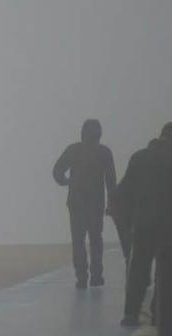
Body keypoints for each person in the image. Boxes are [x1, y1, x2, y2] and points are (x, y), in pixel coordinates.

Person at [117, 122, 172, 327]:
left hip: (143, 222)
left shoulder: (139, 157)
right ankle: (158, 313)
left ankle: (130, 314)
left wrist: (128, 222)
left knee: (138, 268)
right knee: (164, 271)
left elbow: (125, 192)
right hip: (169, 225)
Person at [53, 119, 117, 289]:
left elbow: (58, 170)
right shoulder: (104, 152)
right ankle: (96, 276)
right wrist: (112, 203)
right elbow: (111, 181)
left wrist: (65, 181)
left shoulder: (74, 150)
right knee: (95, 240)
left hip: (76, 203)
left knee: (79, 241)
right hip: (94, 204)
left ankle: (82, 277)